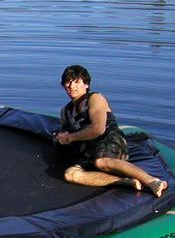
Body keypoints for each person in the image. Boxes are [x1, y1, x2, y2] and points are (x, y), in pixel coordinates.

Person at [55, 65, 168, 197]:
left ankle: (151, 181)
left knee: (101, 161)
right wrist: (61, 138)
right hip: (89, 150)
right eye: (68, 82)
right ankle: (123, 182)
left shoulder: (94, 99)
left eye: (77, 82)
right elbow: (64, 134)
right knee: (71, 174)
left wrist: (70, 137)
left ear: (86, 84)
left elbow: (98, 129)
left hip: (110, 140)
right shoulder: (65, 111)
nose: (71, 86)